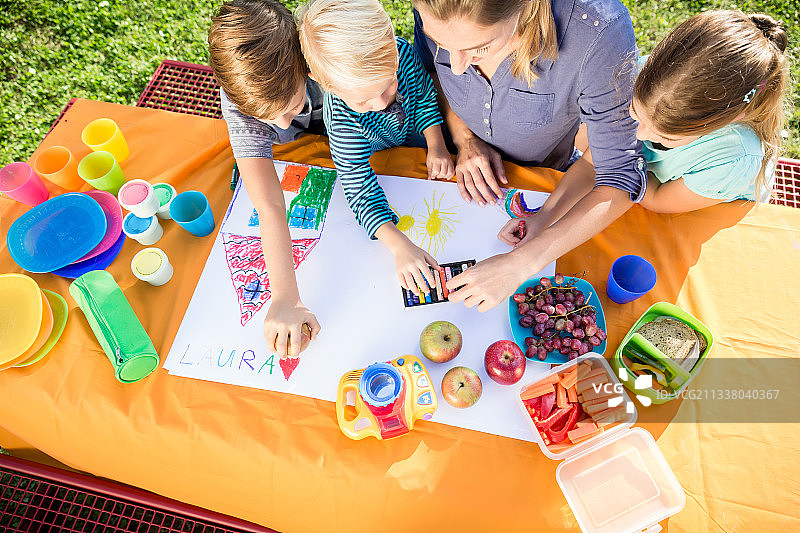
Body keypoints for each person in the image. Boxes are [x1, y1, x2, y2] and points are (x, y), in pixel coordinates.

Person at [412, 0, 646, 311]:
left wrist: (521, 264)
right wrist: (465, 139)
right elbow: (429, 71)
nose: (456, 66)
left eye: (479, 48)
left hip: (546, 173)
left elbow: (618, 177)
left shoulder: (597, 33)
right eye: (442, 44)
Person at [298, 0, 455, 295]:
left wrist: (437, 144)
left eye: (389, 86)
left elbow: (423, 97)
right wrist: (398, 245)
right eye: (363, 102)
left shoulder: (402, 54)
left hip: (418, 143)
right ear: (325, 84)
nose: (382, 103)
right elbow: (357, 184)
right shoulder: (341, 117)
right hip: (383, 162)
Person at [208, 0, 323, 359]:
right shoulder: (241, 103)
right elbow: (269, 205)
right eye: (270, 120)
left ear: (305, 63)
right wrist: (285, 296)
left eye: (291, 108)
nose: (285, 126)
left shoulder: (326, 57)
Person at [630, 11, 788, 212]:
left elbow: (657, 198)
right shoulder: (646, 81)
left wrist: (622, 163)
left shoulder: (731, 160)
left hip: (706, 202)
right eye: (635, 112)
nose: (639, 134)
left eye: (666, 137)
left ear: (727, 120)